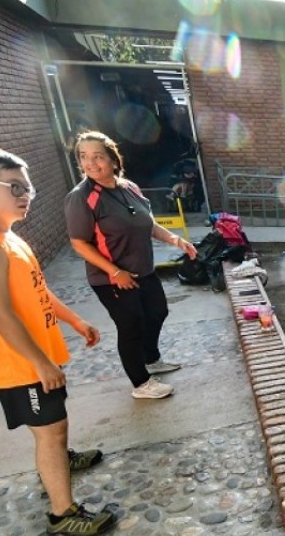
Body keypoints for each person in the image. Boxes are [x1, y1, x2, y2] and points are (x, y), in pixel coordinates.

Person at [0, 147, 116, 536]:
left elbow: (37, 291)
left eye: (28, 189)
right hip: (17, 363)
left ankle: (58, 457)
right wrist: (40, 364)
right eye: (14, 187)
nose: (24, 196)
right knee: (51, 427)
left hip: (33, 355)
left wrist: (74, 319)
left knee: (50, 425)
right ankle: (63, 513)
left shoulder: (7, 237)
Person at [65, 131, 196, 400]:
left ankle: (150, 359)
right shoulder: (82, 197)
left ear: (113, 160)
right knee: (131, 326)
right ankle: (141, 382)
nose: (90, 163)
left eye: (97, 157)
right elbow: (79, 243)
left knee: (157, 311)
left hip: (144, 269)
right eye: (83, 157)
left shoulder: (129, 188)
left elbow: (147, 223)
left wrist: (175, 239)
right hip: (111, 278)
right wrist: (115, 271)